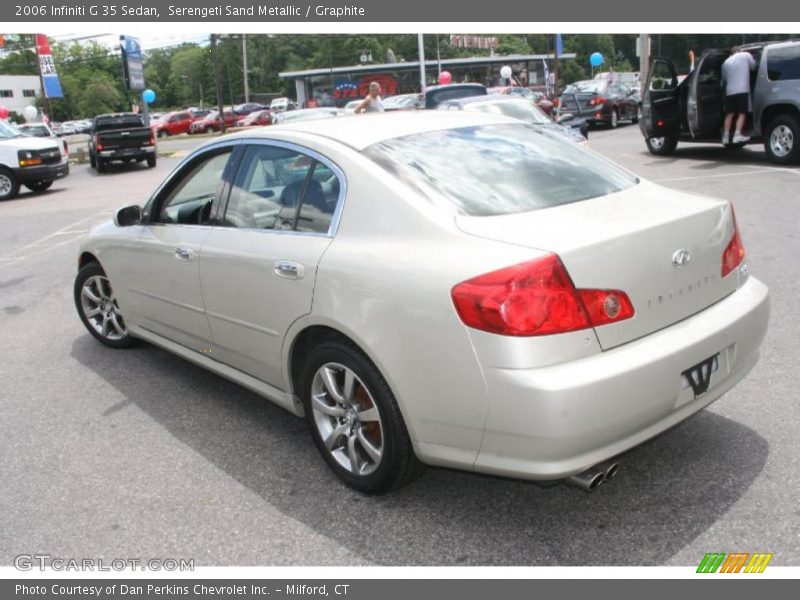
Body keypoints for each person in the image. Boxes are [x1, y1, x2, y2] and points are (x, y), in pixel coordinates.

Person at [721, 47, 756, 145]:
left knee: (729, 114)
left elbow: (725, 77)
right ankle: (737, 135)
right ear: (739, 50)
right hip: (742, 90)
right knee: (742, 113)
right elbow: (753, 67)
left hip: (729, 91)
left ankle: (726, 137)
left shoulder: (726, 62)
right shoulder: (745, 55)